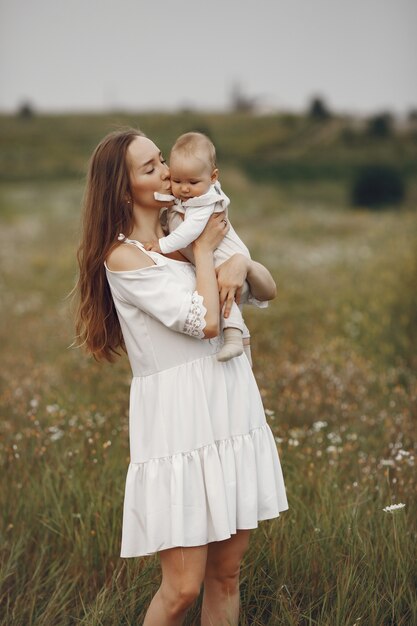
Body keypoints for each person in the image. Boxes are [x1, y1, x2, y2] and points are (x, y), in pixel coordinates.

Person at [75, 128, 288, 626]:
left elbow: (267, 290)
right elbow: (205, 322)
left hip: (230, 403)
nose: (167, 172)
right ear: (123, 190)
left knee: (226, 576)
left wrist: (240, 261)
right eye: (150, 168)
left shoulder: (187, 223)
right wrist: (204, 254)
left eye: (161, 161)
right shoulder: (124, 257)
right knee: (182, 588)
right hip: (178, 424)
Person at [147, 131, 259, 363]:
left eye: (192, 182)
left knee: (221, 292)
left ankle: (234, 337)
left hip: (227, 260)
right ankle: (242, 345)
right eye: (177, 181)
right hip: (221, 260)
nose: (184, 189)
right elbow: (169, 202)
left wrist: (161, 245)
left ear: (213, 177)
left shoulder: (204, 204)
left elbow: (189, 232)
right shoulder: (192, 196)